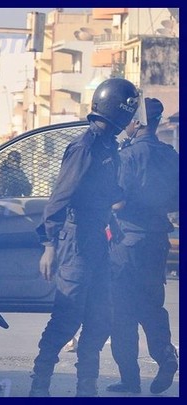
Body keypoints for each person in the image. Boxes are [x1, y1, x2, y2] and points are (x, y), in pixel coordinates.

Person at [29, 78, 140, 397]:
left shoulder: (108, 146)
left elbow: (108, 193)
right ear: (118, 109)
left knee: (100, 319)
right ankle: (40, 385)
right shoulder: (86, 145)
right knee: (66, 317)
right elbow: (60, 197)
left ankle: (86, 388)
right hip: (75, 241)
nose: (132, 118)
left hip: (97, 239)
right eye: (129, 110)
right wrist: (48, 245)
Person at [107, 97, 179, 395]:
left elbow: (118, 199)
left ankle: (130, 379)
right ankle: (166, 356)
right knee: (151, 305)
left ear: (137, 122)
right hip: (157, 240)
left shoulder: (128, 156)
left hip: (127, 241)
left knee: (120, 309)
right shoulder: (170, 155)